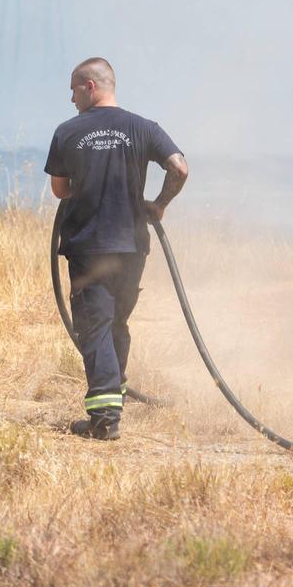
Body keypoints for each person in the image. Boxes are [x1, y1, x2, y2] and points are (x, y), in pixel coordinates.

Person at [44, 57, 188, 440]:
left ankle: (105, 419)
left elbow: (59, 190)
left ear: (90, 86)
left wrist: (88, 186)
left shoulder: (68, 131)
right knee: (116, 324)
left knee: (95, 327)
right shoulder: (143, 127)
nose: (70, 98)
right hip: (132, 246)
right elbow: (180, 168)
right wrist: (158, 205)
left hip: (89, 246)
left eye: (74, 89)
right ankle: (113, 399)